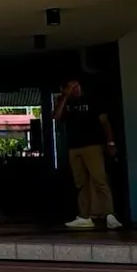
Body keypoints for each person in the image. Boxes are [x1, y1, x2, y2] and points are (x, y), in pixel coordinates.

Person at [52, 77, 120, 230]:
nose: (74, 88)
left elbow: (104, 121)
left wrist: (110, 142)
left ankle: (110, 214)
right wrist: (64, 97)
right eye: (70, 86)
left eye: (76, 85)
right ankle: (85, 216)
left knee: (99, 179)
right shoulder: (66, 102)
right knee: (81, 182)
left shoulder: (92, 100)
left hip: (92, 145)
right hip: (74, 147)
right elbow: (56, 117)